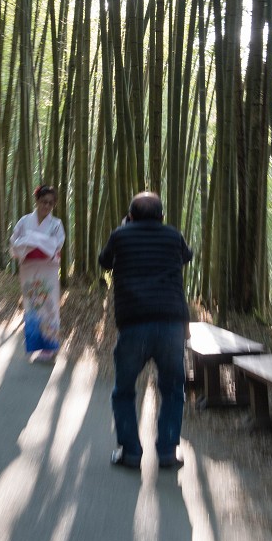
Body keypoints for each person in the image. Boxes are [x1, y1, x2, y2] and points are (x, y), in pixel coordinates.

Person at [98, 191, 193, 470]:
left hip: (134, 323)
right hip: (171, 323)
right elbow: (186, 256)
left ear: (130, 216)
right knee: (173, 390)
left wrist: (125, 230)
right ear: (162, 217)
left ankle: (130, 452)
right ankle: (166, 452)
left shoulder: (120, 235)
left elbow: (104, 262)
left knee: (124, 389)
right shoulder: (173, 236)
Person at [10, 185, 65, 363]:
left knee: (49, 304)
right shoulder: (24, 221)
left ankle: (50, 345)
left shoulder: (56, 224)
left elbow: (57, 244)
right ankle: (35, 342)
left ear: (54, 204)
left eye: (50, 203)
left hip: (48, 268)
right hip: (28, 267)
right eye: (43, 202)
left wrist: (31, 240)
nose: (46, 206)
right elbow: (14, 242)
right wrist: (36, 241)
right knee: (32, 304)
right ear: (37, 201)